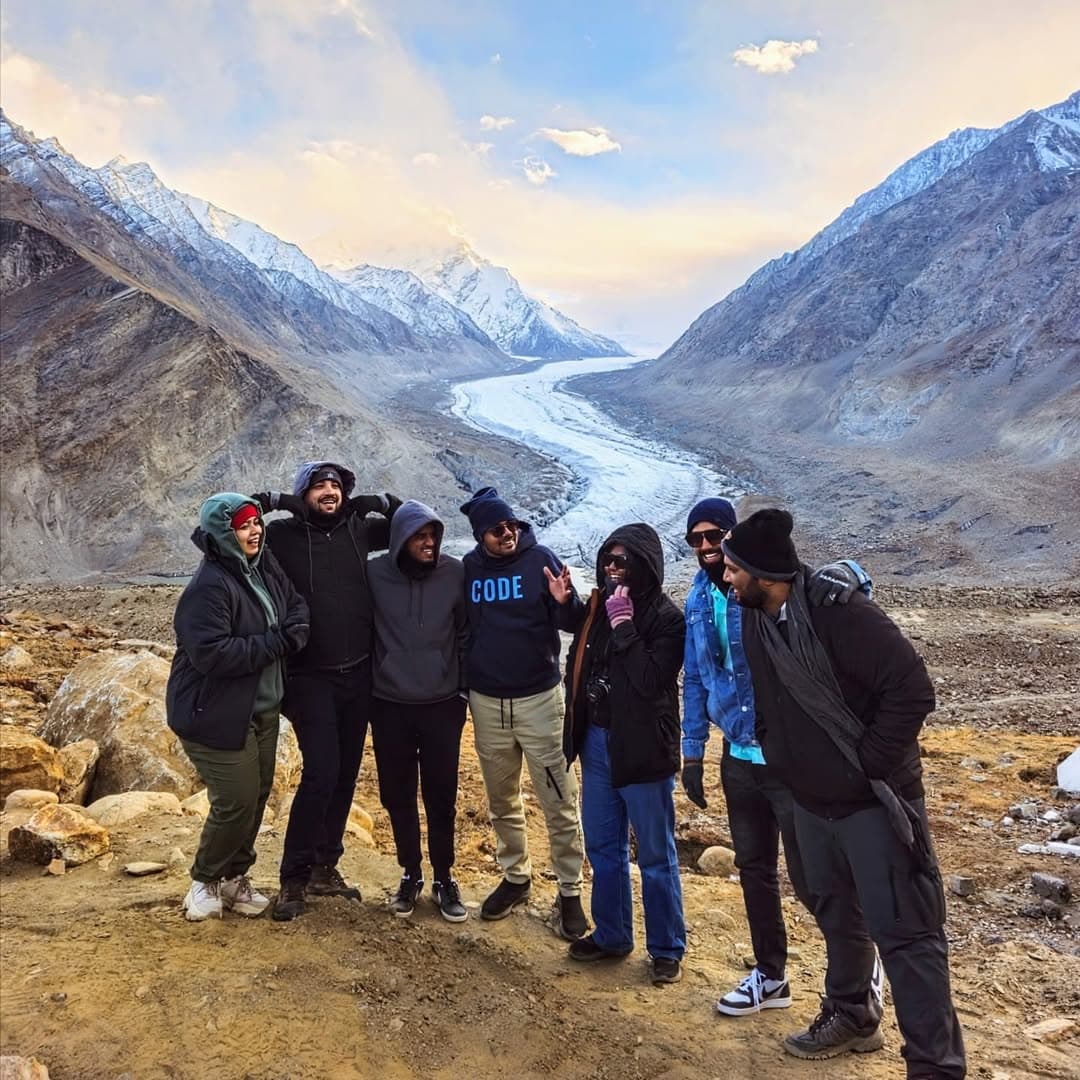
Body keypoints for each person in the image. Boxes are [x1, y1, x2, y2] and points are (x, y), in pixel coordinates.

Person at [724, 508, 966, 1077]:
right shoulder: (759, 615)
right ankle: (853, 1013)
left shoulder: (841, 614)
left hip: (873, 805)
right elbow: (767, 696)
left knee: (906, 932)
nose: (726, 578)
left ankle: (934, 1066)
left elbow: (912, 688)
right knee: (836, 913)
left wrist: (867, 766)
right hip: (810, 802)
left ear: (765, 573)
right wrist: (780, 755)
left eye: (735, 568)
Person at [680, 497, 875, 1017]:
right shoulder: (698, 599)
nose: (705, 547)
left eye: (713, 536)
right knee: (753, 870)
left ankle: (858, 974)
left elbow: (821, 587)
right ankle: (770, 976)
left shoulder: (763, 588)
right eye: (694, 539)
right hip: (738, 756)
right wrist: (693, 751)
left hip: (787, 757)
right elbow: (697, 676)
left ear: (732, 537)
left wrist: (852, 573)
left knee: (815, 876)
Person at [252, 462, 399, 921]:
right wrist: (278, 502)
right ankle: (292, 879)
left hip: (358, 676)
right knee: (321, 773)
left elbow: (412, 519)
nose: (329, 491)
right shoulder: (280, 538)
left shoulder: (359, 530)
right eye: (318, 486)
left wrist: (373, 503)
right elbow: (218, 527)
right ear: (304, 496)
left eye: (336, 485)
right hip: (308, 676)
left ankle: (324, 867)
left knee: (345, 774)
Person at [166, 493, 309, 921]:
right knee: (237, 799)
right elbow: (213, 654)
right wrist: (280, 641)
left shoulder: (262, 566)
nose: (255, 531)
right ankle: (203, 881)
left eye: (256, 523)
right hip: (213, 711)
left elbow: (294, 605)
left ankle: (234, 877)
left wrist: (295, 625)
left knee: (259, 793)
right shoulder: (208, 586)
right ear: (223, 534)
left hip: (261, 708)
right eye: (244, 525)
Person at [556, 524, 687, 985]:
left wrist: (625, 625)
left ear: (645, 564)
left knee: (654, 852)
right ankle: (612, 934)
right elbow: (583, 644)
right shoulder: (600, 605)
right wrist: (569, 605)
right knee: (603, 845)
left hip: (644, 747)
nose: (613, 569)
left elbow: (653, 682)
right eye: (608, 560)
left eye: (622, 561)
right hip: (598, 740)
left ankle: (667, 947)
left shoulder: (667, 619)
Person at [459, 486, 587, 939]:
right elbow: (462, 629)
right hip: (488, 703)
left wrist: (562, 601)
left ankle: (570, 891)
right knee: (502, 799)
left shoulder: (540, 560)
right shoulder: (469, 569)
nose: (508, 533)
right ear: (480, 535)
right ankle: (516, 877)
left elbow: (573, 621)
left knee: (558, 797)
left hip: (539, 701)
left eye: (512, 525)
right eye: (497, 529)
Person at [367, 500, 469, 922]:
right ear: (401, 540)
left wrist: (461, 690)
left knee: (441, 796)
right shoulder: (374, 574)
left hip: (442, 705)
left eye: (433, 535)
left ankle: (445, 876)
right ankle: (410, 872)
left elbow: (465, 631)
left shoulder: (454, 572)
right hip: (389, 704)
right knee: (397, 795)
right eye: (420, 536)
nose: (429, 543)